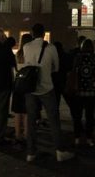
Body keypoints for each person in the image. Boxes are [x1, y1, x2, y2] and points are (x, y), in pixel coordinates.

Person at [23, 23, 74, 162]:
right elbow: (56, 68)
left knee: (31, 121)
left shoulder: (26, 47)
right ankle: (59, 151)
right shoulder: (51, 48)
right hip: (46, 87)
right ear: (44, 33)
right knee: (54, 120)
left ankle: (31, 152)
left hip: (31, 89)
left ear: (32, 33)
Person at [70, 39, 95, 146]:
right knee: (90, 116)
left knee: (77, 116)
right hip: (92, 91)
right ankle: (89, 138)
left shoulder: (78, 57)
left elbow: (73, 71)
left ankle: (77, 137)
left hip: (78, 91)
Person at [11, 33, 33, 143]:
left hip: (18, 84)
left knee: (17, 111)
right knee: (27, 111)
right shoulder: (31, 54)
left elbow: (15, 69)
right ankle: (26, 134)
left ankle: (17, 134)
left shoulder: (18, 54)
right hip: (28, 84)